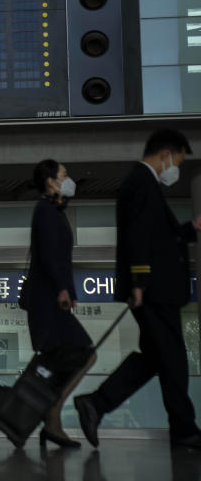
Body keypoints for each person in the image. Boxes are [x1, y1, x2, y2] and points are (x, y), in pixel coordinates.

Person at [74, 129, 201, 451]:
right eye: (178, 162)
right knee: (172, 359)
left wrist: (190, 230)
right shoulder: (141, 183)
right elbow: (138, 236)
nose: (176, 169)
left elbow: (157, 239)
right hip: (155, 290)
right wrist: (140, 282)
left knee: (156, 359)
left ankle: (96, 403)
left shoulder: (142, 184)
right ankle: (184, 430)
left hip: (154, 288)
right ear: (165, 155)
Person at [22, 159, 95, 448]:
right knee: (85, 354)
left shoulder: (52, 211)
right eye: (64, 175)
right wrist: (64, 290)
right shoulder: (46, 211)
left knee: (63, 361)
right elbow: (52, 257)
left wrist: (70, 290)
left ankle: (52, 418)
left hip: (52, 300)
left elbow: (59, 260)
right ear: (51, 181)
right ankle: (52, 413)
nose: (69, 179)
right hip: (48, 302)